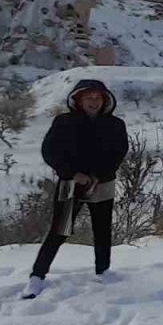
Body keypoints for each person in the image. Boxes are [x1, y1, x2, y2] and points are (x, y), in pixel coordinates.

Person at [22, 80, 129, 299]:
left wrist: (99, 175)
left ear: (106, 100)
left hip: (102, 183)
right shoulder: (63, 122)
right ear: (77, 99)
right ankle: (37, 276)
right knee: (59, 231)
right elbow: (49, 152)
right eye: (88, 97)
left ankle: (103, 272)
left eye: (98, 97)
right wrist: (72, 173)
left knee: (102, 231)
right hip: (71, 184)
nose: (94, 101)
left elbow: (119, 152)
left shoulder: (116, 125)